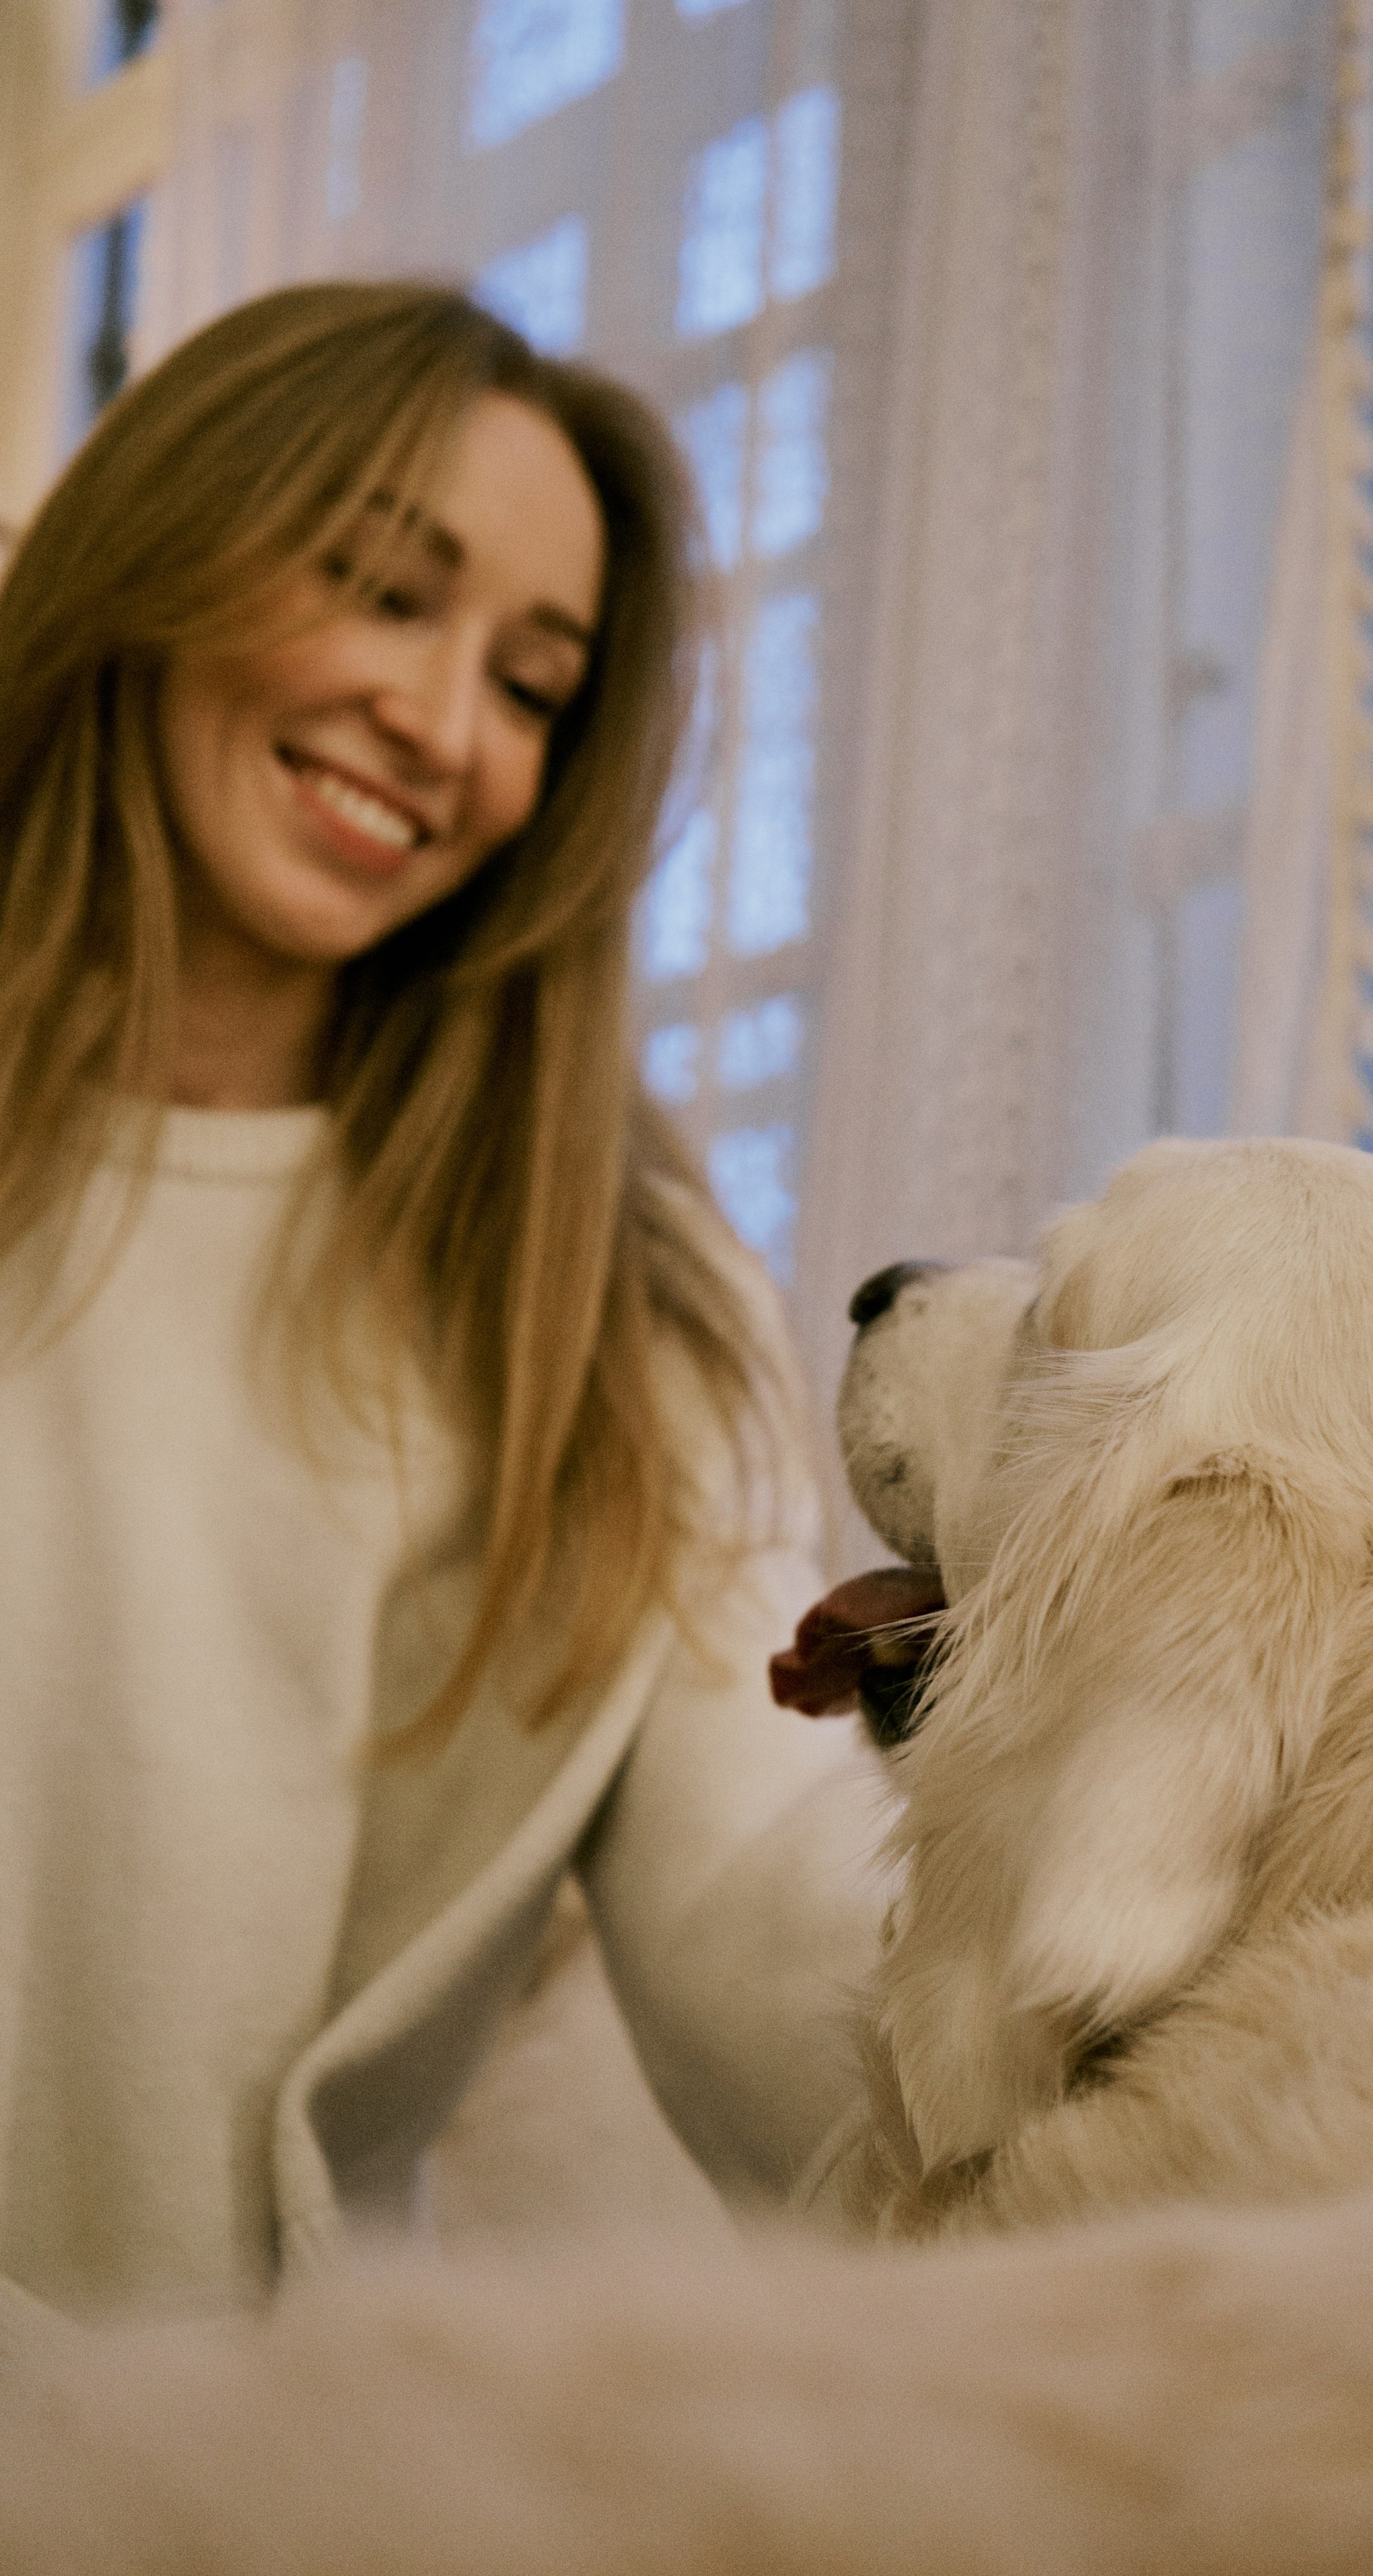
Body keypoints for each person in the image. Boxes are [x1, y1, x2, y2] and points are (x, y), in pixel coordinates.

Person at [0, 279, 885, 2348]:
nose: (448, 727)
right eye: (387, 592)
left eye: (535, 685)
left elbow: (756, 1894)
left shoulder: (622, 1320)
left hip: (248, 2494)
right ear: (162, 549)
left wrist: (1148, 2042)